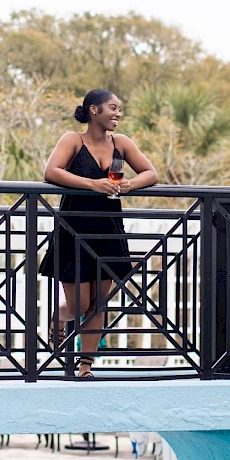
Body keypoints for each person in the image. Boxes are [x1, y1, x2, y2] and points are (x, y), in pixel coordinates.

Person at [39, 89, 158, 378]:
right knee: (79, 304)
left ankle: (85, 366)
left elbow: (150, 173)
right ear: (94, 110)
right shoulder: (72, 140)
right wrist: (92, 184)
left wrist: (129, 185)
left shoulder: (121, 142)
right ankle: (59, 317)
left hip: (109, 230)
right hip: (74, 229)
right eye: (112, 108)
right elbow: (51, 172)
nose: (118, 114)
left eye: (119, 109)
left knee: (98, 304)